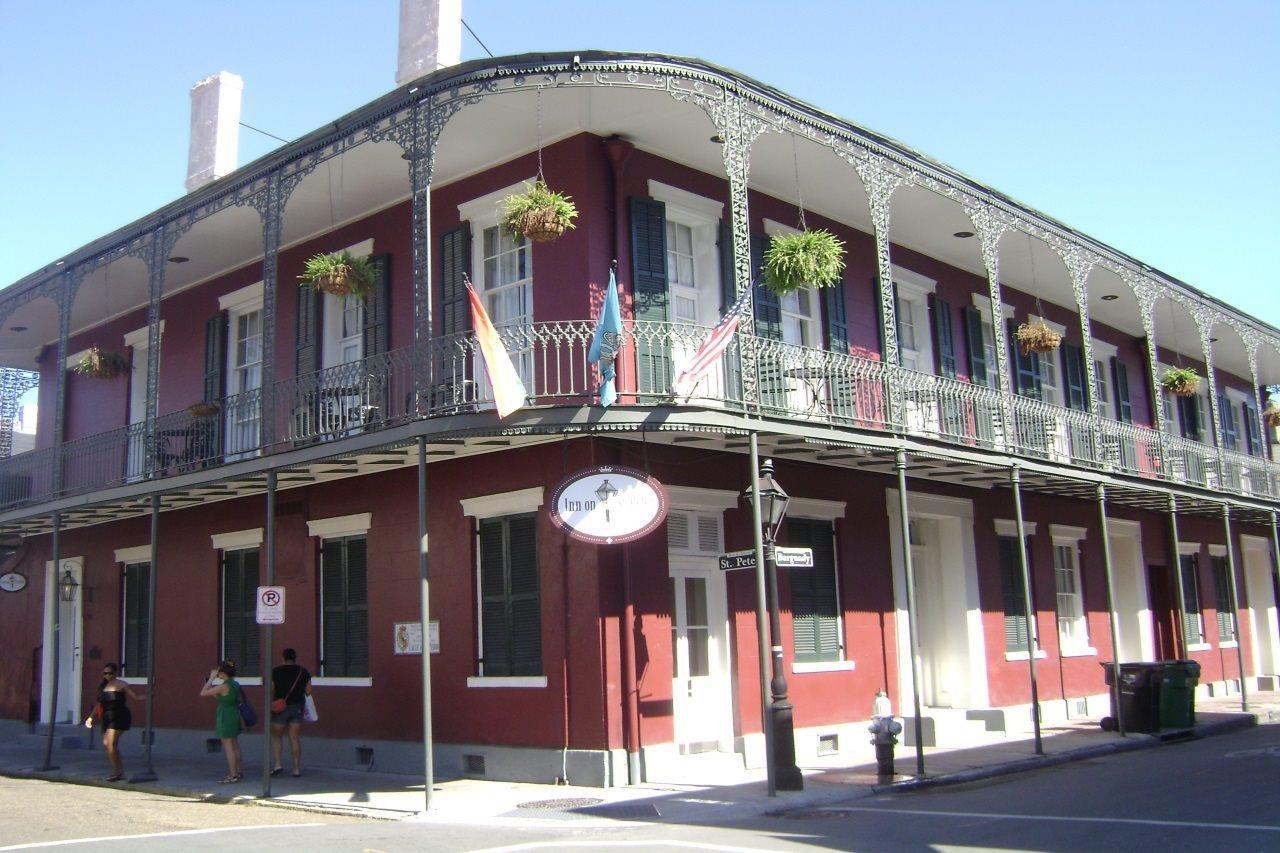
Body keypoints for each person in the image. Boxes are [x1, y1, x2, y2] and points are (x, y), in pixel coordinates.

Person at [84, 663, 142, 782]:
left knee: (107, 742)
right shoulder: (103, 687)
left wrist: (147, 696)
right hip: (107, 717)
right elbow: (98, 704)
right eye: (105, 673)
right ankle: (119, 772)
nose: (107, 676)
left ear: (115, 673)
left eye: (110, 673)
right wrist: (90, 717)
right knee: (112, 744)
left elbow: (135, 696)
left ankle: (116, 772)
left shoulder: (121, 684)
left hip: (120, 716)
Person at [270, 648, 312, 778]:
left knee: (277, 736)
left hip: (280, 708)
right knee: (294, 737)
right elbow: (309, 691)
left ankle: (277, 764)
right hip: (297, 707)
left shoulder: (275, 672)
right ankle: (296, 769)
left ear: (283, 658)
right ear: (295, 658)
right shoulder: (303, 671)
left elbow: (271, 689)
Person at [199, 660, 243, 783]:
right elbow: (223, 697)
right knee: (235, 745)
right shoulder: (234, 684)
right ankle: (238, 771)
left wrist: (211, 679)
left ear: (223, 672)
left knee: (228, 747)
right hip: (234, 714)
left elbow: (203, 693)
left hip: (226, 716)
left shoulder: (224, 686)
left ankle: (233, 774)